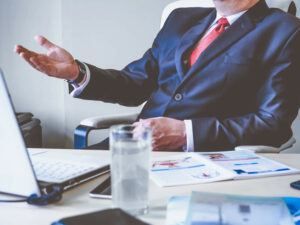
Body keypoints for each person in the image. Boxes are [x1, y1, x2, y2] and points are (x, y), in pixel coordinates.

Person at [15, 0, 300, 151]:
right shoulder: (181, 20)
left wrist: (184, 133)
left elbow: (273, 123)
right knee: (52, 189)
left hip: (207, 158)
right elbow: (135, 84)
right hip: (132, 148)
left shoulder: (285, 31)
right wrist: (78, 72)